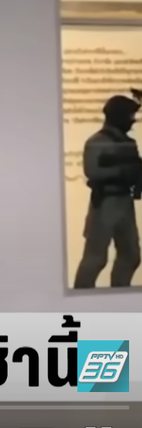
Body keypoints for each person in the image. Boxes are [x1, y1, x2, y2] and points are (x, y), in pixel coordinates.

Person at [74, 94, 142, 288]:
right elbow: (92, 171)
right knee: (95, 258)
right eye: (129, 115)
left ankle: (120, 292)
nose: (132, 120)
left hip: (124, 202)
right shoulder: (97, 141)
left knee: (131, 255)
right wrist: (122, 171)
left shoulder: (128, 143)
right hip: (105, 203)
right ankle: (81, 295)